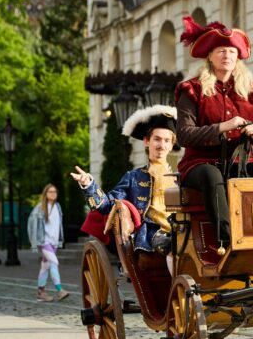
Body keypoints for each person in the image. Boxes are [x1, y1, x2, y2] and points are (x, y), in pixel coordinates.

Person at [175, 17, 253, 250]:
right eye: (221, 51)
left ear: (238, 57)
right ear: (210, 56)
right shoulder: (192, 90)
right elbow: (184, 135)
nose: (227, 55)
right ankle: (227, 241)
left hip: (241, 161)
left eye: (231, 51)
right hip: (199, 164)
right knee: (212, 175)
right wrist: (223, 126)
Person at [73, 106, 178, 255]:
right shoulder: (133, 178)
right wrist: (88, 184)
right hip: (152, 236)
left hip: (179, 232)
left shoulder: (179, 179)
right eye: (157, 139)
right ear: (146, 141)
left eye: (167, 140)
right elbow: (107, 205)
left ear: (172, 145)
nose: (162, 145)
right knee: (171, 246)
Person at [27, 185, 70, 302]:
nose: (53, 194)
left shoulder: (57, 206)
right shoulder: (40, 207)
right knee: (54, 262)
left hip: (54, 243)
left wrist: (59, 240)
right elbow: (31, 224)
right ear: (45, 193)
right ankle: (60, 290)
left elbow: (58, 226)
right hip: (43, 241)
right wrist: (34, 242)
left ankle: (40, 292)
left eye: (55, 191)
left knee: (45, 267)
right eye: (50, 192)